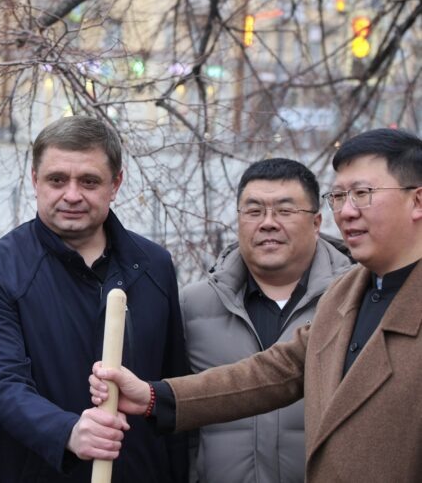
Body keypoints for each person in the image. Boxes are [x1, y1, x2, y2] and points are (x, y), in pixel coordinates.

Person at [90, 128, 422, 482]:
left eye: (363, 194)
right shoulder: (345, 292)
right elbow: (273, 372)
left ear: (417, 201)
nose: (347, 212)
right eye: (339, 196)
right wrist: (154, 397)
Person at [0, 116, 189, 482]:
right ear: (35, 180)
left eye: (89, 181)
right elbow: (0, 385)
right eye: (57, 180)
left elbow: (174, 384)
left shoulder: (154, 265)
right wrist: (67, 432)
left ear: (115, 184)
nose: (71, 195)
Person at [180, 158, 351, 483]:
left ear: (316, 222)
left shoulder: (352, 299)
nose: (268, 223)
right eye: (254, 211)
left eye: (285, 211)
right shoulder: (194, 305)